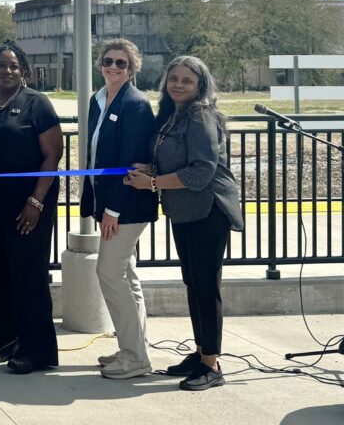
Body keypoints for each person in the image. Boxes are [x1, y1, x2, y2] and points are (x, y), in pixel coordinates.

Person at [126, 55, 243, 391]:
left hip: (208, 210)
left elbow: (201, 171)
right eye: (173, 78)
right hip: (184, 210)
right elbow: (175, 160)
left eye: (187, 80)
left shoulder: (200, 116)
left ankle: (212, 365)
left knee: (206, 286)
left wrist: (151, 184)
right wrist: (151, 169)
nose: (178, 85)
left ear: (200, 86)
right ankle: (201, 352)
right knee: (193, 283)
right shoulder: (173, 115)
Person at [0, 41, 63, 374]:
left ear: (24, 70)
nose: (8, 71)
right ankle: (2, 341)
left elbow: (53, 155)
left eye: (14, 65)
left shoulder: (37, 103)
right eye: (2, 65)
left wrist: (35, 202)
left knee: (27, 276)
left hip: (28, 207)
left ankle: (37, 351)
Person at [79, 39, 157, 379]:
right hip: (107, 203)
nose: (113, 67)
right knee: (126, 274)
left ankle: (135, 358)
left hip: (126, 206)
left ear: (132, 68)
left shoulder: (135, 104)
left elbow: (131, 160)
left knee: (109, 272)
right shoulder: (98, 100)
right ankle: (134, 347)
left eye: (121, 63)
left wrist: (113, 210)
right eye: (108, 61)